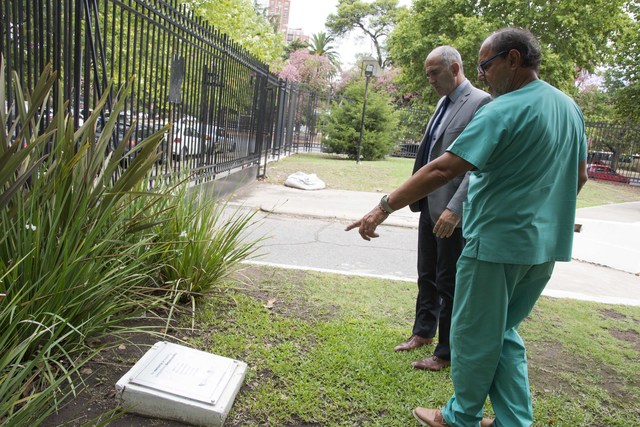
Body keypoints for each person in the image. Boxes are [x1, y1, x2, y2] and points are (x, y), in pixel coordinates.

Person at [346, 27, 588, 427]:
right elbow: (578, 176)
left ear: (512, 59)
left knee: (474, 334)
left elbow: (443, 168)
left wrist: (383, 206)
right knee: (503, 331)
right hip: (544, 247)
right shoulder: (568, 107)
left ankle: (459, 417)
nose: (484, 75)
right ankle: (513, 421)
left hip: (496, 246)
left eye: (486, 65)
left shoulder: (502, 108)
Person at [394, 46, 491, 375]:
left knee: (449, 282)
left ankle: (446, 352)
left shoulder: (480, 102)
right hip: (429, 205)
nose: (430, 79)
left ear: (455, 67)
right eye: (428, 73)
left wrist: (456, 208)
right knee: (427, 274)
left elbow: (476, 165)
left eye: (435, 72)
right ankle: (423, 332)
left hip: (452, 212)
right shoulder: (442, 102)